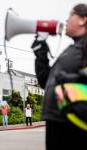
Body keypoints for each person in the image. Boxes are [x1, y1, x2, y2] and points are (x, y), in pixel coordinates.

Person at [31, 3, 87, 150]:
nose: (67, 20)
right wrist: (40, 51)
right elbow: (45, 81)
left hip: (74, 122)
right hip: (57, 120)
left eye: (70, 15)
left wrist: (72, 79)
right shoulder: (71, 50)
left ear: (82, 20)